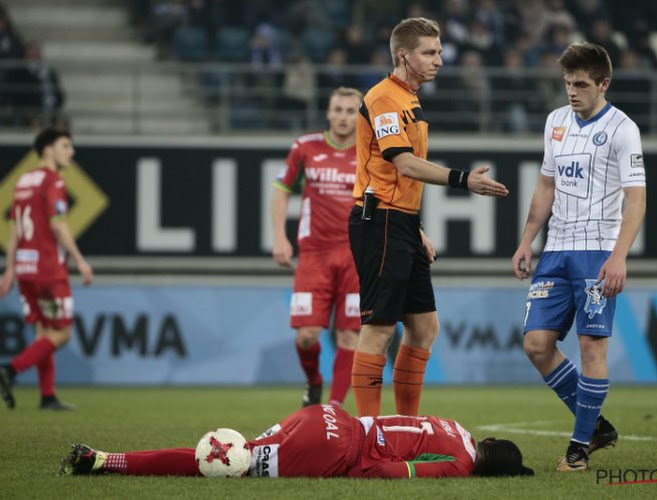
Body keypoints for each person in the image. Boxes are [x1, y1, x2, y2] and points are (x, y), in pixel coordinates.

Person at [348, 17, 509, 419]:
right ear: (404, 55)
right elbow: (403, 164)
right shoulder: (385, 98)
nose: (439, 60)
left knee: (423, 328)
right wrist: (462, 179)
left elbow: (396, 174)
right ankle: (368, 430)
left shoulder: (408, 98)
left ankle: (406, 425)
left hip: (400, 222)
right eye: (429, 52)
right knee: (380, 328)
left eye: (438, 52)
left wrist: (416, 227)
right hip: (379, 221)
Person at [511, 42, 646, 472]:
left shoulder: (623, 129)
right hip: (556, 249)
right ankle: (597, 427)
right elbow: (545, 186)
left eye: (581, 84)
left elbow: (637, 200)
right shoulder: (555, 122)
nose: (572, 91)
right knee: (536, 344)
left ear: (603, 83)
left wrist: (618, 256)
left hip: (596, 251)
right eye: (568, 83)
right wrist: (526, 240)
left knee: (591, 346)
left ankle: (578, 447)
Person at [58, 404, 535, 479]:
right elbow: (397, 470)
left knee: (234, 454)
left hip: (326, 416)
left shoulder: (457, 428)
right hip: (332, 448)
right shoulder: (460, 463)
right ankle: (99, 460)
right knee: (229, 465)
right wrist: (353, 470)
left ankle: (102, 458)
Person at [271, 87, 363, 407]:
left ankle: (334, 408)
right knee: (307, 335)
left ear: (360, 115)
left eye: (351, 111)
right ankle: (314, 382)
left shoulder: (372, 152)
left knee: (349, 336)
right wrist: (280, 237)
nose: (343, 117)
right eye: (338, 109)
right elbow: (282, 190)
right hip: (315, 255)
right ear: (328, 112)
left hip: (357, 255)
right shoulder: (305, 146)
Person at [0, 128, 93, 411]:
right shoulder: (53, 181)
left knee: (44, 333)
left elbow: (15, 229)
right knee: (61, 334)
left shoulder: (23, 181)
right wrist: (79, 259)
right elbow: (58, 223)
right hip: (49, 269)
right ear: (47, 150)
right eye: (65, 145)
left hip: (27, 268)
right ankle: (10, 370)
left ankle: (47, 396)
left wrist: (11, 269)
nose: (71, 151)